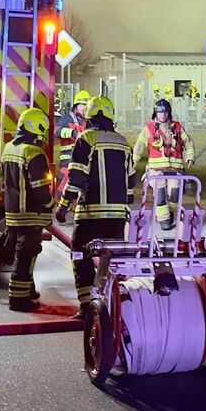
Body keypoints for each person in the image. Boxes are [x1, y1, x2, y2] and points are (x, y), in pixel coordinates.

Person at [55, 96, 137, 319]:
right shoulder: (123, 142)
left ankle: (86, 305)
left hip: (90, 214)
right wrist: (124, 206)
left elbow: (76, 177)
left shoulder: (86, 139)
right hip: (117, 218)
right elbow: (131, 182)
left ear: (90, 117)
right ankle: (113, 305)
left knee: (80, 255)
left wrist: (63, 206)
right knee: (113, 261)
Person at [0, 108, 54, 312]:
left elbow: (3, 182)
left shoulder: (9, 148)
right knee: (26, 257)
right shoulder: (34, 152)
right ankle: (19, 301)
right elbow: (39, 187)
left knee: (23, 255)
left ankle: (28, 291)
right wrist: (50, 205)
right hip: (31, 213)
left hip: (13, 213)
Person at [133, 99, 195, 230]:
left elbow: (188, 142)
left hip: (174, 170)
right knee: (160, 195)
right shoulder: (149, 128)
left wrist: (190, 157)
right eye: (160, 112)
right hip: (156, 171)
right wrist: (132, 163)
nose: (162, 114)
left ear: (169, 113)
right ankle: (164, 220)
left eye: (165, 112)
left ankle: (170, 213)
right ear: (155, 113)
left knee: (174, 195)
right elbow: (139, 146)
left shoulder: (177, 128)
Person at [54, 90, 90, 198]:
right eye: (83, 105)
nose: (85, 108)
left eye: (87, 105)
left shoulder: (87, 122)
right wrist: (73, 133)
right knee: (62, 194)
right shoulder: (66, 119)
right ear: (76, 106)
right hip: (66, 165)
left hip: (83, 165)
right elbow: (56, 131)